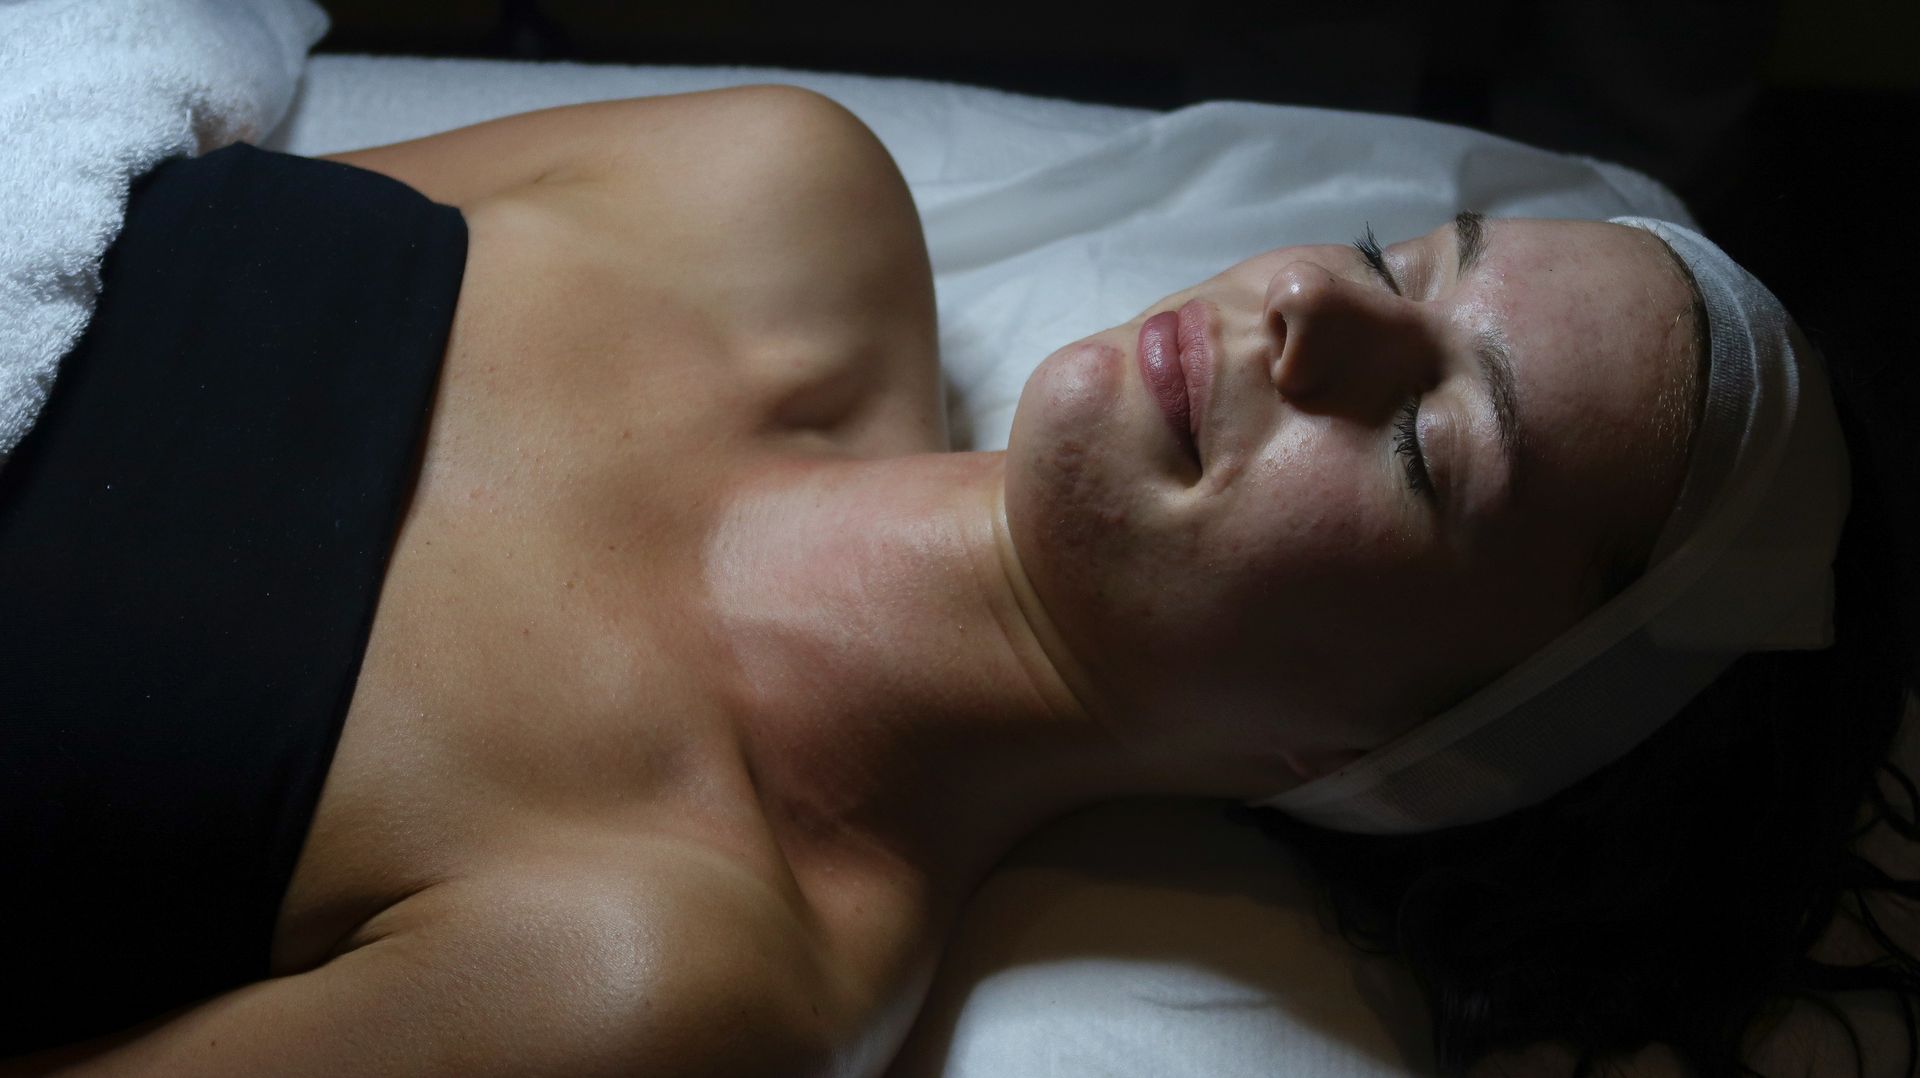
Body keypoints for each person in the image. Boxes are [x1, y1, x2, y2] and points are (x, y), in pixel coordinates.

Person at [1, 84, 1911, 1077]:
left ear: (1396, 754)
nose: (1311, 306)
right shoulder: (772, 200)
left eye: (1429, 445)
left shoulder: (673, 963)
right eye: (1404, 262)